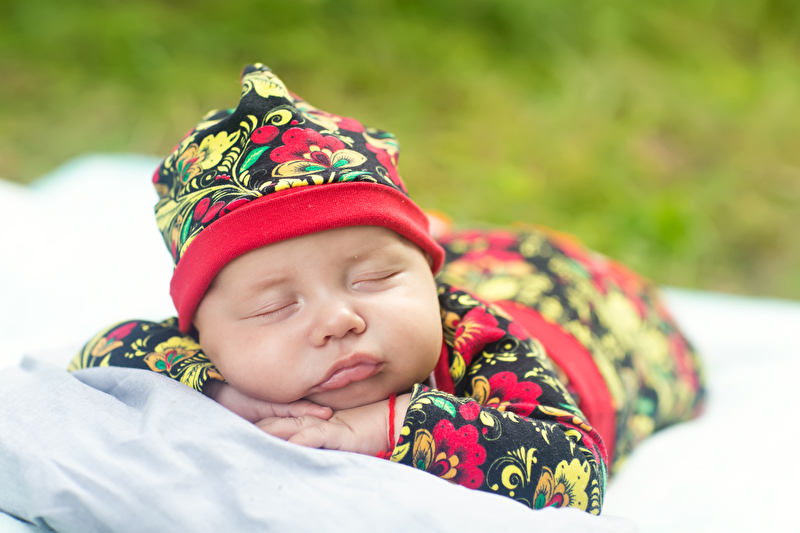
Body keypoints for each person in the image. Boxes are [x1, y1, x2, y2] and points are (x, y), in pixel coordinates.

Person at [70, 64, 704, 514]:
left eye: (374, 278)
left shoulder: (480, 342)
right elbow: (104, 351)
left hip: (581, 308)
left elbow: (576, 469)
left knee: (536, 272)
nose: (338, 320)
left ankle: (444, 246)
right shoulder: (212, 354)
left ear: (426, 277)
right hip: (452, 262)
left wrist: (385, 425)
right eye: (275, 305)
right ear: (203, 334)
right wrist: (218, 388)